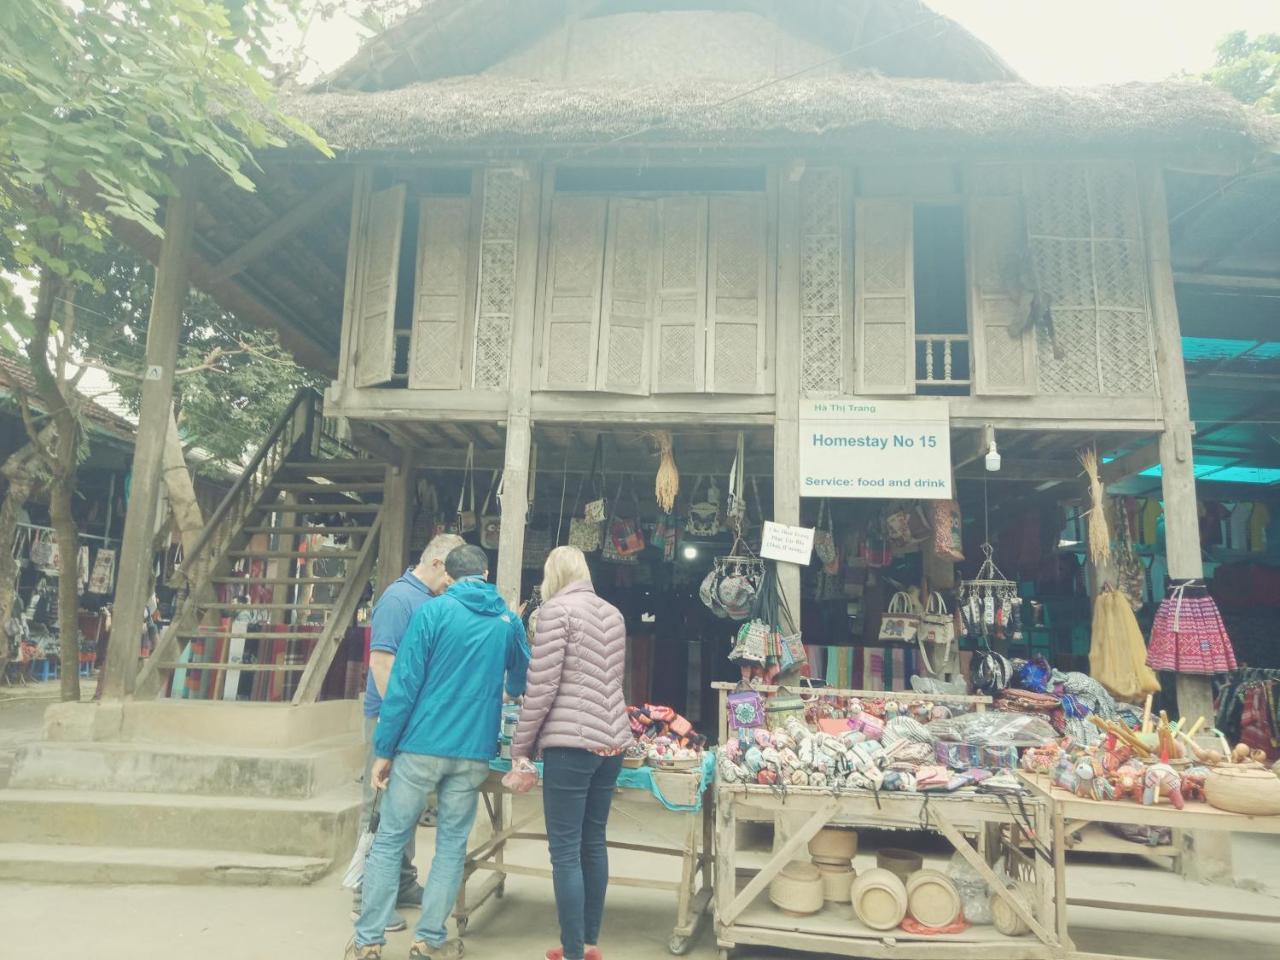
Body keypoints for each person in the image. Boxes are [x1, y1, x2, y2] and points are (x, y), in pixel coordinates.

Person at [350, 544, 530, 960]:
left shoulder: (432, 612)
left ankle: (369, 942)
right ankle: (429, 940)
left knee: (391, 839)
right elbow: (521, 681)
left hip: (420, 747)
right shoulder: (507, 620)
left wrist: (385, 749)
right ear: (485, 574)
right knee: (451, 844)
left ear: (447, 576)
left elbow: (404, 685)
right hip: (472, 752)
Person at [511, 546, 632, 960]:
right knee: (592, 842)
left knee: (564, 850)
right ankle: (589, 943)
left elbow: (541, 688)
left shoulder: (554, 613)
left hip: (570, 746)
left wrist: (520, 746)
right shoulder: (613, 614)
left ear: (553, 574)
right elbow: (610, 679)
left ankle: (572, 951)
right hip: (612, 742)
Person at [354, 533, 464, 930]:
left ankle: (402, 883)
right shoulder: (398, 600)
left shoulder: (429, 600)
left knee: (407, 805)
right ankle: (365, 895)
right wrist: (400, 721)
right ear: (437, 564)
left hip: (412, 721)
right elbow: (382, 664)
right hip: (389, 718)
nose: (453, 581)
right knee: (381, 807)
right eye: (452, 572)